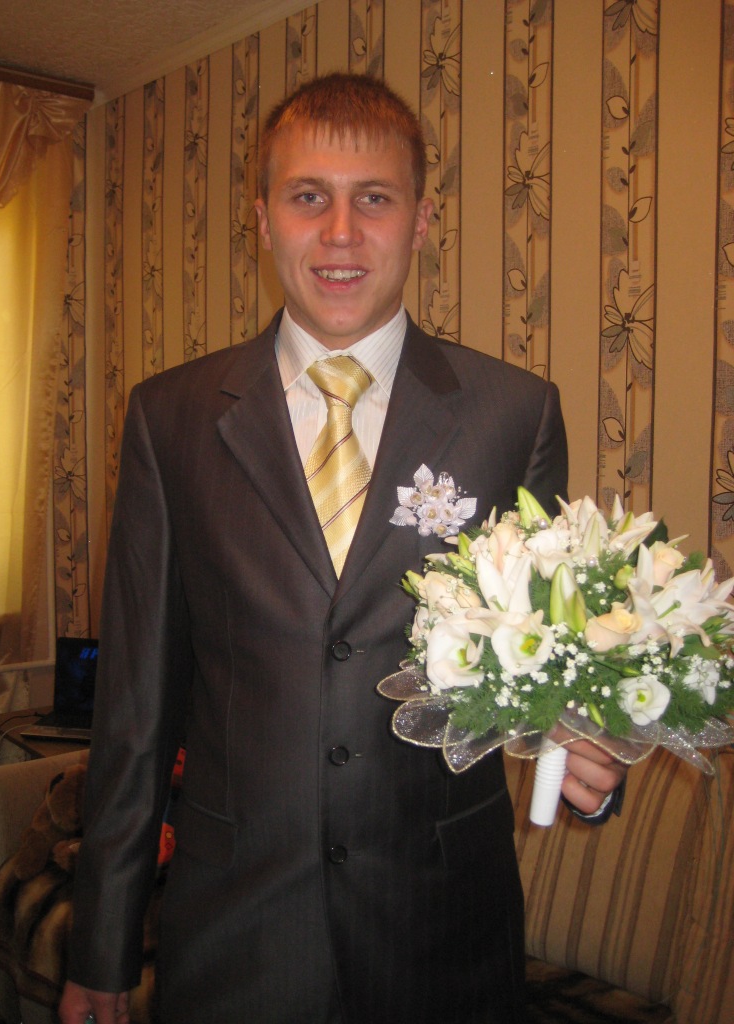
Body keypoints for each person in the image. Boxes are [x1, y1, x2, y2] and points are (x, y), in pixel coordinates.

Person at [60, 73, 625, 1024]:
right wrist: (102, 946)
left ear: (422, 220)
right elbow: (136, 709)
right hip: (235, 931)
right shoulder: (170, 416)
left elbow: (547, 649)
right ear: (263, 218)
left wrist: (590, 762)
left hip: (442, 928)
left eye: (375, 199)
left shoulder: (514, 415)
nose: (339, 233)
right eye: (307, 196)